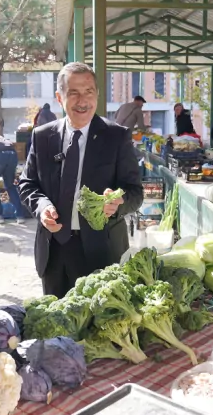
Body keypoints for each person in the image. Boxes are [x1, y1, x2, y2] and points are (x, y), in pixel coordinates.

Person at [18, 62, 143, 298]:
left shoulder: (116, 136)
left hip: (102, 252)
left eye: (88, 92)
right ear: (59, 96)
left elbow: (135, 192)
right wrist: (42, 207)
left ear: (97, 94)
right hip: (53, 250)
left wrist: (118, 204)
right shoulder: (43, 136)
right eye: (73, 93)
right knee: (56, 323)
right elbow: (27, 184)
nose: (82, 101)